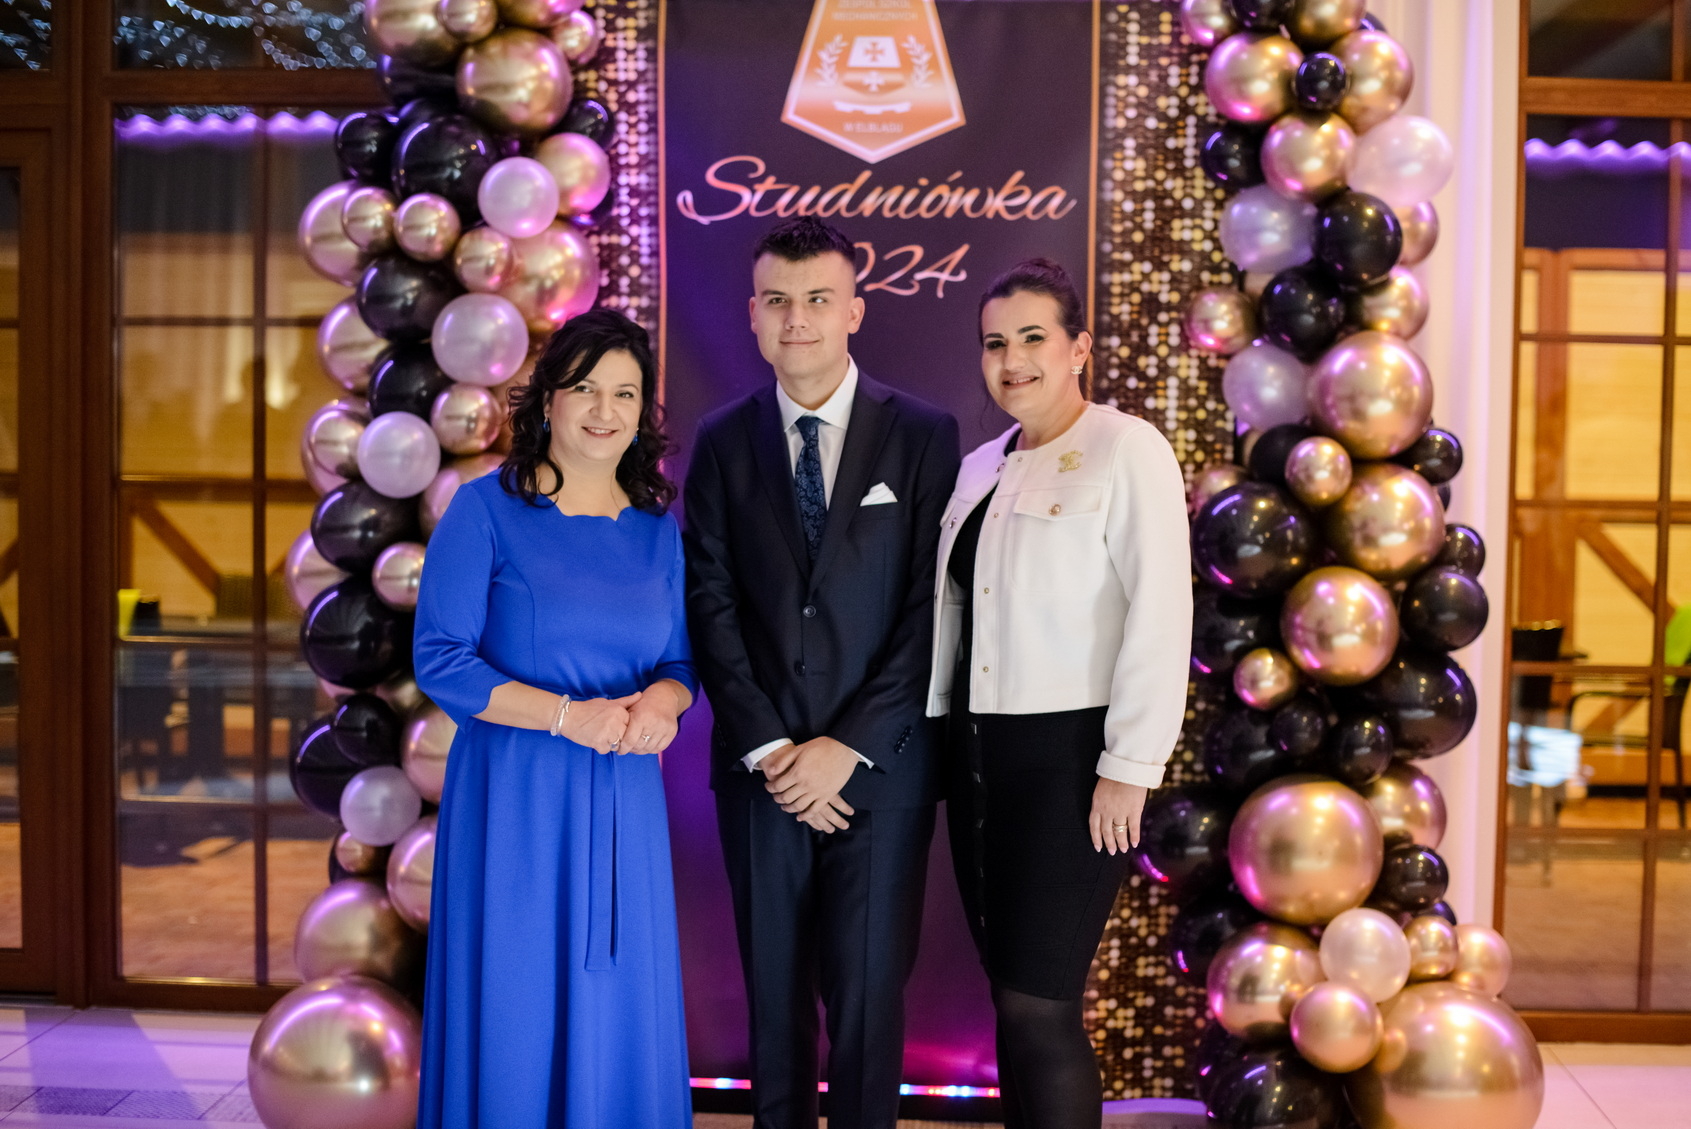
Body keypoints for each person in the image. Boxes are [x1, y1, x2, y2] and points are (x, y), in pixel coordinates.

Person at [683, 216, 960, 1129]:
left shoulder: (922, 434)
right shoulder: (721, 441)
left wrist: (846, 746)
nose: (795, 318)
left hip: (880, 774)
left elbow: (931, 608)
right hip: (760, 775)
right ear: (752, 315)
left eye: (815, 299)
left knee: (868, 1007)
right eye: (777, 300)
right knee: (774, 1007)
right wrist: (773, 749)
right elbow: (710, 605)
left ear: (853, 311)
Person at [412, 309, 696, 1128]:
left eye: (625, 393)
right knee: (518, 991)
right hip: (516, 796)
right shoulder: (483, 511)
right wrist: (566, 715)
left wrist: (665, 702)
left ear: (643, 411)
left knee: (620, 993)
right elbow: (441, 658)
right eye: (585, 389)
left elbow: (679, 665)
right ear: (547, 400)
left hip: (626, 800)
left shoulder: (658, 533)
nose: (605, 410)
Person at [926, 259, 1192, 1129]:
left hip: (1071, 762)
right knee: (1008, 996)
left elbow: (1161, 612)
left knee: (1040, 1003)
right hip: (977, 757)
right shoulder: (978, 468)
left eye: (1033, 338)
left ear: (1078, 347)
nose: (1012, 360)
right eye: (994, 343)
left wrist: (1129, 766)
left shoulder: (1127, 448)